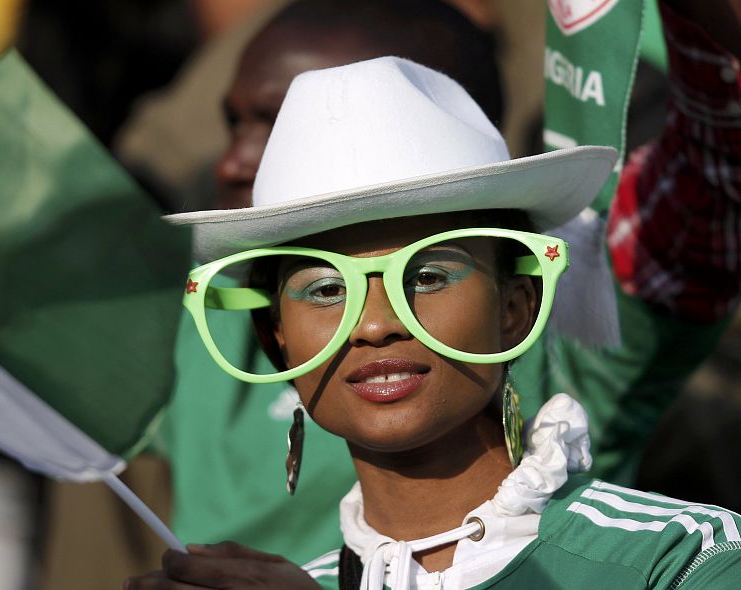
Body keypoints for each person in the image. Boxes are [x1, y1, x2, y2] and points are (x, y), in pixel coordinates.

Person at [126, 55, 741, 590]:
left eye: (425, 276)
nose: (374, 326)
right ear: (275, 340)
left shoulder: (682, 557)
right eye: (325, 288)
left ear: (517, 305)